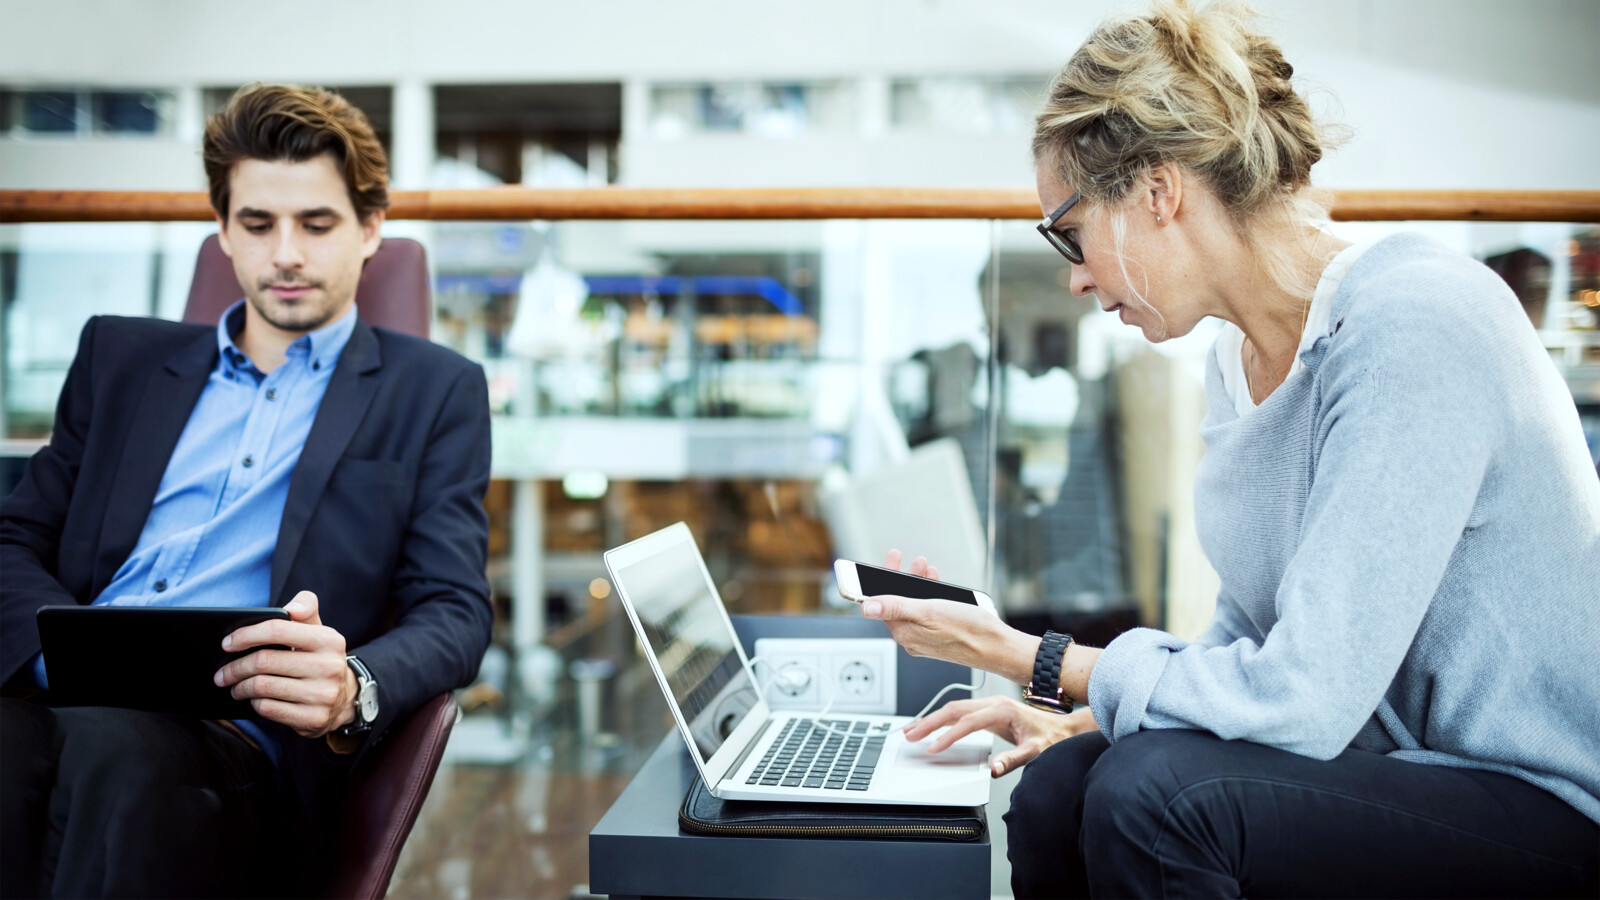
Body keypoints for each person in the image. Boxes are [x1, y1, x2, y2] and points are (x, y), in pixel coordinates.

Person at [860, 2, 1600, 897]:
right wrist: (1098, 713)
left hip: (1538, 799)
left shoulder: (1416, 326)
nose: (1076, 273)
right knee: (1061, 783)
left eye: (1069, 227)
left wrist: (1035, 658)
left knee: (1157, 796)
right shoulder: (1236, 360)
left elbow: (1303, 697)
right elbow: (1248, 644)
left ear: (1157, 192)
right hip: (1387, 766)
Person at [0, 84, 493, 898]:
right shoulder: (116, 362)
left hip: (234, 741)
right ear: (224, 230)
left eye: (317, 224)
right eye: (258, 225)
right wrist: (63, 663)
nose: (286, 254)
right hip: (59, 694)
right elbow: (16, 540)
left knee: (116, 753)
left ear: (371, 229)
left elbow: (455, 608)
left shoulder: (433, 391)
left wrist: (352, 687)